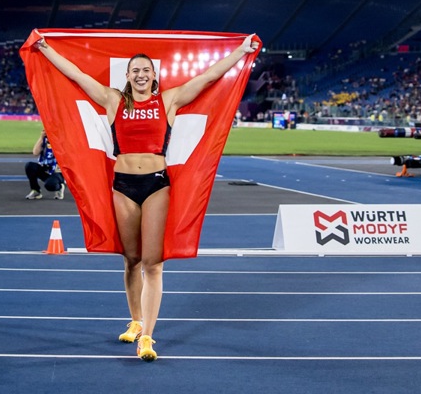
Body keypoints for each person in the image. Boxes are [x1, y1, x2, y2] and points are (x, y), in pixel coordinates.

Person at [31, 33, 258, 362]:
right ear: (127, 75)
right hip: (122, 185)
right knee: (131, 260)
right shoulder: (113, 101)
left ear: (154, 75)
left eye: (145, 70)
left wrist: (241, 50)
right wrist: (47, 49)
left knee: (153, 263)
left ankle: (148, 337)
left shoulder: (168, 101)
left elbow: (209, 77)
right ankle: (136, 321)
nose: (140, 74)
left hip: (156, 184)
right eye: (135, 70)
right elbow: (77, 75)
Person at [24, 128, 64, 200]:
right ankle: (36, 190)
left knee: (50, 186)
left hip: (57, 171)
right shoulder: (45, 139)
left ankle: (60, 187)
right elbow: (35, 152)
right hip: (45, 168)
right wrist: (41, 137)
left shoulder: (63, 140)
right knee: (29, 166)